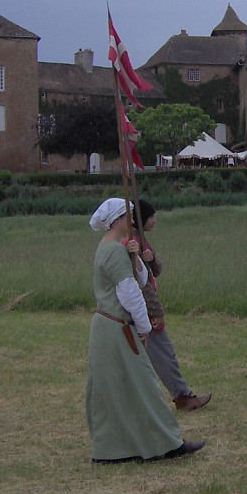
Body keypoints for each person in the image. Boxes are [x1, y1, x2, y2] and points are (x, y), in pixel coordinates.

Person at [86, 198, 205, 463]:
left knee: (121, 389)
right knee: (142, 387)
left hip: (110, 328)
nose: (132, 219)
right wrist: (144, 327)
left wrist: (134, 256)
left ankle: (119, 448)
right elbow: (130, 294)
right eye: (128, 214)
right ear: (117, 219)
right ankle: (166, 444)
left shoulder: (113, 247)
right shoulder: (112, 251)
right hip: (117, 328)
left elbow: (141, 278)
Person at [133, 199, 211, 412]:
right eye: (151, 217)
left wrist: (152, 258)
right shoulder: (132, 243)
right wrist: (156, 312)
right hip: (144, 310)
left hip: (142, 310)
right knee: (164, 354)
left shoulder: (141, 241)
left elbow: (156, 271)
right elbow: (142, 285)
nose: (155, 220)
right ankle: (183, 397)